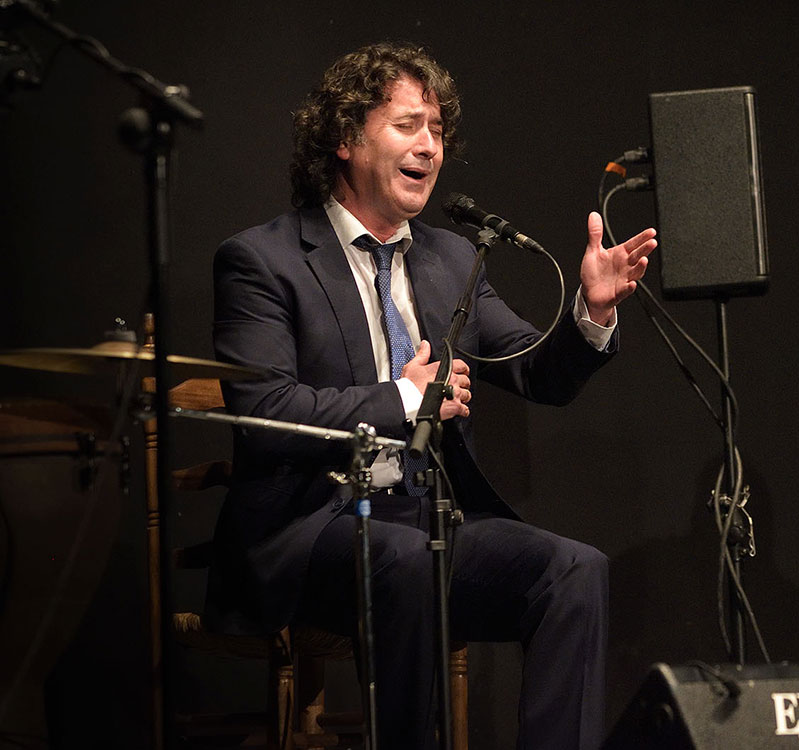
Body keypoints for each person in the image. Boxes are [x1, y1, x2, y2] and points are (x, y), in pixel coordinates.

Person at [206, 41, 655, 749]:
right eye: (408, 125)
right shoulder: (264, 260)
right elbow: (264, 417)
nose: (430, 146)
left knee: (574, 570)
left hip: (428, 519)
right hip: (313, 528)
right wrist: (401, 400)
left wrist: (591, 314)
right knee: (409, 564)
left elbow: (539, 371)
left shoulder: (449, 258)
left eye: (438, 130)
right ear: (347, 139)